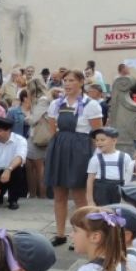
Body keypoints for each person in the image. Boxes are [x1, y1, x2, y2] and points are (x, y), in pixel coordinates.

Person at [44, 70, 105, 246]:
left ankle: (83, 234)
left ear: (81, 82)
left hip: (80, 151)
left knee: (80, 196)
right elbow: (52, 129)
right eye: (65, 80)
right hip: (60, 148)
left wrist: (95, 157)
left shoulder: (91, 105)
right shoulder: (56, 103)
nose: (67, 84)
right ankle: (60, 233)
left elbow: (97, 133)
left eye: (71, 80)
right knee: (59, 194)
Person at [85, 127, 132, 207]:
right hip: (101, 191)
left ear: (114, 140)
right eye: (97, 140)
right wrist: (90, 201)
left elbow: (130, 176)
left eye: (102, 140)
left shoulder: (125, 157)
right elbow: (90, 180)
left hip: (120, 190)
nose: (99, 143)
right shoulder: (95, 159)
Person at [0, 118, 28, 209]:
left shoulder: (20, 140)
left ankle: (13, 200)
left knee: (18, 169)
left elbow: (20, 157)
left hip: (11, 172)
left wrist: (8, 169)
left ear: (8, 131)